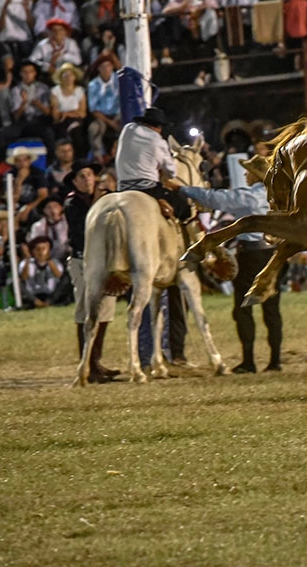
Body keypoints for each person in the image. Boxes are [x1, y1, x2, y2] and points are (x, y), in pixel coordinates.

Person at [176, 163, 283, 373]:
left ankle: (249, 361)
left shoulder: (252, 196)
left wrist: (184, 189)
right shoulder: (277, 195)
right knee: (271, 309)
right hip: (273, 253)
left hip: (251, 255)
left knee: (243, 308)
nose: (245, 173)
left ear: (256, 175)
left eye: (248, 170)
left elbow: (219, 199)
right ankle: (275, 361)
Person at [63, 161, 118, 382]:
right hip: (82, 260)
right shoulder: (72, 203)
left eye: (89, 175)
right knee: (86, 310)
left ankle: (94, 361)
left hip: (105, 260)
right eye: (82, 176)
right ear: (75, 182)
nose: (87, 179)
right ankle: (88, 363)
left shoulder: (107, 197)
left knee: (105, 312)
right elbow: (80, 232)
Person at [113, 106, 188, 221]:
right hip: (148, 189)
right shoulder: (158, 140)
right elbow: (172, 172)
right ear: (158, 127)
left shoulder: (127, 129)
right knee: (184, 208)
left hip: (122, 187)